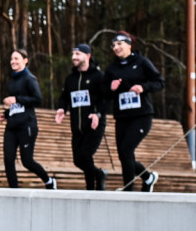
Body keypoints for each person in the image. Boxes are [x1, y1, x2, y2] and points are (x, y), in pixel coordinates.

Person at [103, 31, 165, 192]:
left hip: (141, 116)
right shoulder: (112, 69)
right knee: (123, 155)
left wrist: (143, 87)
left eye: (119, 44)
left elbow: (159, 82)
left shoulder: (142, 62)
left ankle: (128, 190)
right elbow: (104, 94)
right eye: (113, 45)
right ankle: (147, 177)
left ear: (129, 45)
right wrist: (111, 88)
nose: (115, 47)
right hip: (122, 117)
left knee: (126, 150)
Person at [0, 49, 56, 189]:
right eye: (12, 59)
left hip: (27, 126)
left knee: (27, 161)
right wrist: (6, 115)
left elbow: (37, 99)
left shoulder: (30, 79)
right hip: (12, 127)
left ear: (25, 60)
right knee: (8, 159)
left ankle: (49, 180)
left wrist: (16, 98)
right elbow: (17, 105)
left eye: (16, 58)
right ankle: (14, 191)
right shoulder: (12, 80)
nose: (13, 61)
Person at [55, 44, 108, 190]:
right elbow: (64, 97)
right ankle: (93, 183)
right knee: (78, 160)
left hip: (94, 124)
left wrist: (97, 113)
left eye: (78, 54)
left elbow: (105, 99)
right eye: (73, 54)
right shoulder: (71, 78)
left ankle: (96, 179)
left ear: (88, 56)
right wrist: (61, 109)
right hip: (76, 125)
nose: (74, 57)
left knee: (84, 156)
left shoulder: (98, 76)